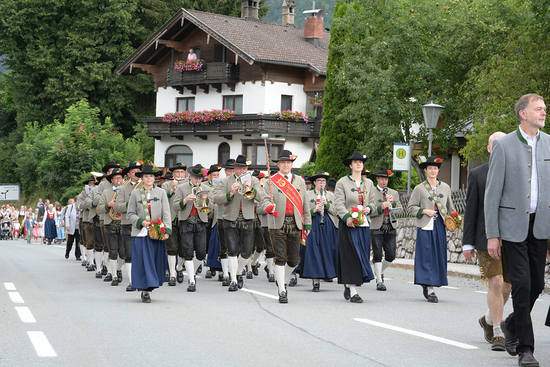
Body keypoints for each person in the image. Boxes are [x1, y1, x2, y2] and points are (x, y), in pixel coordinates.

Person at [485, 94, 550, 367]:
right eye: (538, 108)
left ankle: (511, 323)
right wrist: (492, 234)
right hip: (512, 228)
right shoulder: (503, 145)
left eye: (544, 108)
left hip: (541, 225)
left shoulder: (549, 143)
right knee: (521, 285)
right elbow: (492, 193)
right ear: (523, 114)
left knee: (536, 285)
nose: (544, 112)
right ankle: (525, 349)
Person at [462, 132, 510, 351]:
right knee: (496, 283)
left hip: (511, 237)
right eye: (496, 144)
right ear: (489, 149)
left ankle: (488, 319)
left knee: (508, 286)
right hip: (484, 238)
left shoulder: (516, 173)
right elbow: (470, 210)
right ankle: (499, 333)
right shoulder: (478, 174)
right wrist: (467, 242)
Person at [260, 150, 311, 303]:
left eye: (288, 163)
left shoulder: (299, 181)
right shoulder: (271, 181)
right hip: (277, 223)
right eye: (282, 163)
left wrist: (307, 223)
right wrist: (269, 207)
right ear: (278, 165)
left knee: (294, 261)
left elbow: (305, 203)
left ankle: (282, 279)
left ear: (291, 164)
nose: (285, 165)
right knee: (280, 257)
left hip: (295, 223)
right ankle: (282, 290)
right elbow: (264, 201)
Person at [407, 156, 456, 303]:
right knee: (426, 256)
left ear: (438, 170)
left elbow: (451, 209)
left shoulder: (445, 188)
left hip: (440, 226)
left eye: (435, 168)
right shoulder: (419, 189)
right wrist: (424, 211)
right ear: (425, 170)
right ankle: (429, 288)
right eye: (430, 168)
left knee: (438, 256)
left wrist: (454, 223)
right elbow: (410, 208)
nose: (433, 171)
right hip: (425, 226)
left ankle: (433, 283)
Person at [334, 152, 376, 303]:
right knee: (351, 256)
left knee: (361, 255)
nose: (358, 164)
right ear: (350, 165)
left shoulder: (369, 183)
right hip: (348, 224)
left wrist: (369, 208)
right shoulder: (342, 182)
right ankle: (353, 291)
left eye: (361, 162)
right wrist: (347, 217)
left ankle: (349, 282)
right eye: (355, 162)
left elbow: (373, 201)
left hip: (363, 224)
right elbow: (338, 204)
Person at [213, 155, 260, 291]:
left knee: (246, 252)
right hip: (230, 219)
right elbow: (216, 198)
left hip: (248, 218)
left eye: (244, 168)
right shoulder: (224, 181)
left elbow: (262, 196)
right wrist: (231, 192)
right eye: (239, 168)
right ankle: (233, 279)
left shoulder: (254, 180)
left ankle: (239, 272)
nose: (242, 171)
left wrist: (252, 188)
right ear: (234, 169)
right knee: (232, 251)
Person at [127, 165, 171, 303]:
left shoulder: (161, 192)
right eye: (146, 176)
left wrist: (167, 230)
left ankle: (150, 286)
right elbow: (129, 214)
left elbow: (166, 213)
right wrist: (141, 222)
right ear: (142, 178)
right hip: (140, 233)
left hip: (157, 233)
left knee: (154, 261)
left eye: (151, 176)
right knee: (142, 262)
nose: (149, 178)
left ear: (155, 178)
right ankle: (144, 291)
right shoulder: (135, 193)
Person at [172, 164, 213, 292]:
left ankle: (191, 272)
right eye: (196, 178)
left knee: (201, 254)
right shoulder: (182, 188)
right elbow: (175, 206)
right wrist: (185, 200)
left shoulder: (206, 188)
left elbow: (211, 211)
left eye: (200, 179)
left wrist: (207, 200)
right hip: (186, 222)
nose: (198, 181)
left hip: (201, 222)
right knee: (188, 253)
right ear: (190, 176)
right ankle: (191, 281)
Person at [300, 170, 338, 291]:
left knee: (327, 250)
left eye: (323, 181)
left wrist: (327, 205)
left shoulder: (331, 195)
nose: (321, 183)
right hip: (313, 223)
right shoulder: (307, 194)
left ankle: (327, 274)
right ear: (314, 182)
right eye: (319, 181)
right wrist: (314, 210)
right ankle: (315, 281)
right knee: (313, 251)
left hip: (328, 225)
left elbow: (337, 211)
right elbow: (302, 210)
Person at [369, 168, 402, 291]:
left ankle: (379, 272)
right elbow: (369, 211)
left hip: (390, 225)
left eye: (386, 179)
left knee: (391, 255)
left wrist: (392, 204)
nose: (384, 181)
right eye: (382, 178)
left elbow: (400, 210)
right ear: (377, 179)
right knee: (377, 254)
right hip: (376, 225)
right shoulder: (372, 192)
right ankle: (379, 281)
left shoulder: (393, 192)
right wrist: (380, 207)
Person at [114, 160, 143, 291]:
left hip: (144, 224)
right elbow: (117, 207)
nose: (136, 173)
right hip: (128, 224)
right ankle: (132, 281)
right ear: (129, 174)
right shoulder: (123, 188)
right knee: (129, 254)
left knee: (143, 254)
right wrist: (130, 203)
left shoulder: (146, 186)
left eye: (138, 171)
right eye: (133, 172)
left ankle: (143, 279)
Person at [98, 168, 125, 286]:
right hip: (110, 224)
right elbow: (99, 209)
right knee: (113, 251)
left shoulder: (127, 192)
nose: (118, 180)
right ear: (112, 181)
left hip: (124, 223)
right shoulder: (106, 192)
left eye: (120, 178)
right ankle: (114, 275)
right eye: (116, 178)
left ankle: (118, 269)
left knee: (123, 252)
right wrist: (108, 205)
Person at [161, 162, 187, 286]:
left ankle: (179, 267)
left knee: (183, 249)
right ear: (173, 174)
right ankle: (172, 274)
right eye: (177, 172)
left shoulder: (188, 185)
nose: (180, 174)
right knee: (171, 248)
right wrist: (171, 190)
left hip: (184, 219)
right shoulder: (165, 185)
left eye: (182, 172)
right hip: (170, 219)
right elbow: (161, 201)